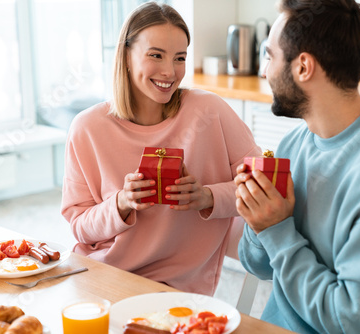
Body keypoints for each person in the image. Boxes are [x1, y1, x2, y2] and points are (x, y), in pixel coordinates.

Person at [235, 0, 360, 333]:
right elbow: (259, 265)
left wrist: (278, 229)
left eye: (269, 56)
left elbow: (354, 324)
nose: (264, 71)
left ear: (303, 67)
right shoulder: (294, 144)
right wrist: (257, 216)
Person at [61, 2, 261, 295]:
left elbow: (263, 186)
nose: (170, 72)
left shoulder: (209, 111)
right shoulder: (87, 128)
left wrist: (207, 197)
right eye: (156, 55)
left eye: (180, 58)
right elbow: (80, 227)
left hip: (180, 291)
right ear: (126, 56)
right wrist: (121, 203)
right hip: (105, 278)